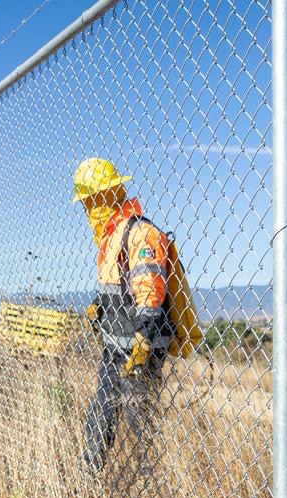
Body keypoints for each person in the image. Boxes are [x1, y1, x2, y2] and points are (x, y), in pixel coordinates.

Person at [75, 157, 200, 470]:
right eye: (87, 203)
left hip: (140, 349)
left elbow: (150, 293)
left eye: (91, 201)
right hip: (115, 347)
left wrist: (142, 342)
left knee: (139, 420)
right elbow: (121, 286)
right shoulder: (112, 237)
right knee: (100, 413)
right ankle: (88, 474)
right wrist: (99, 305)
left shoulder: (141, 234)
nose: (89, 209)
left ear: (107, 195)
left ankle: (155, 481)